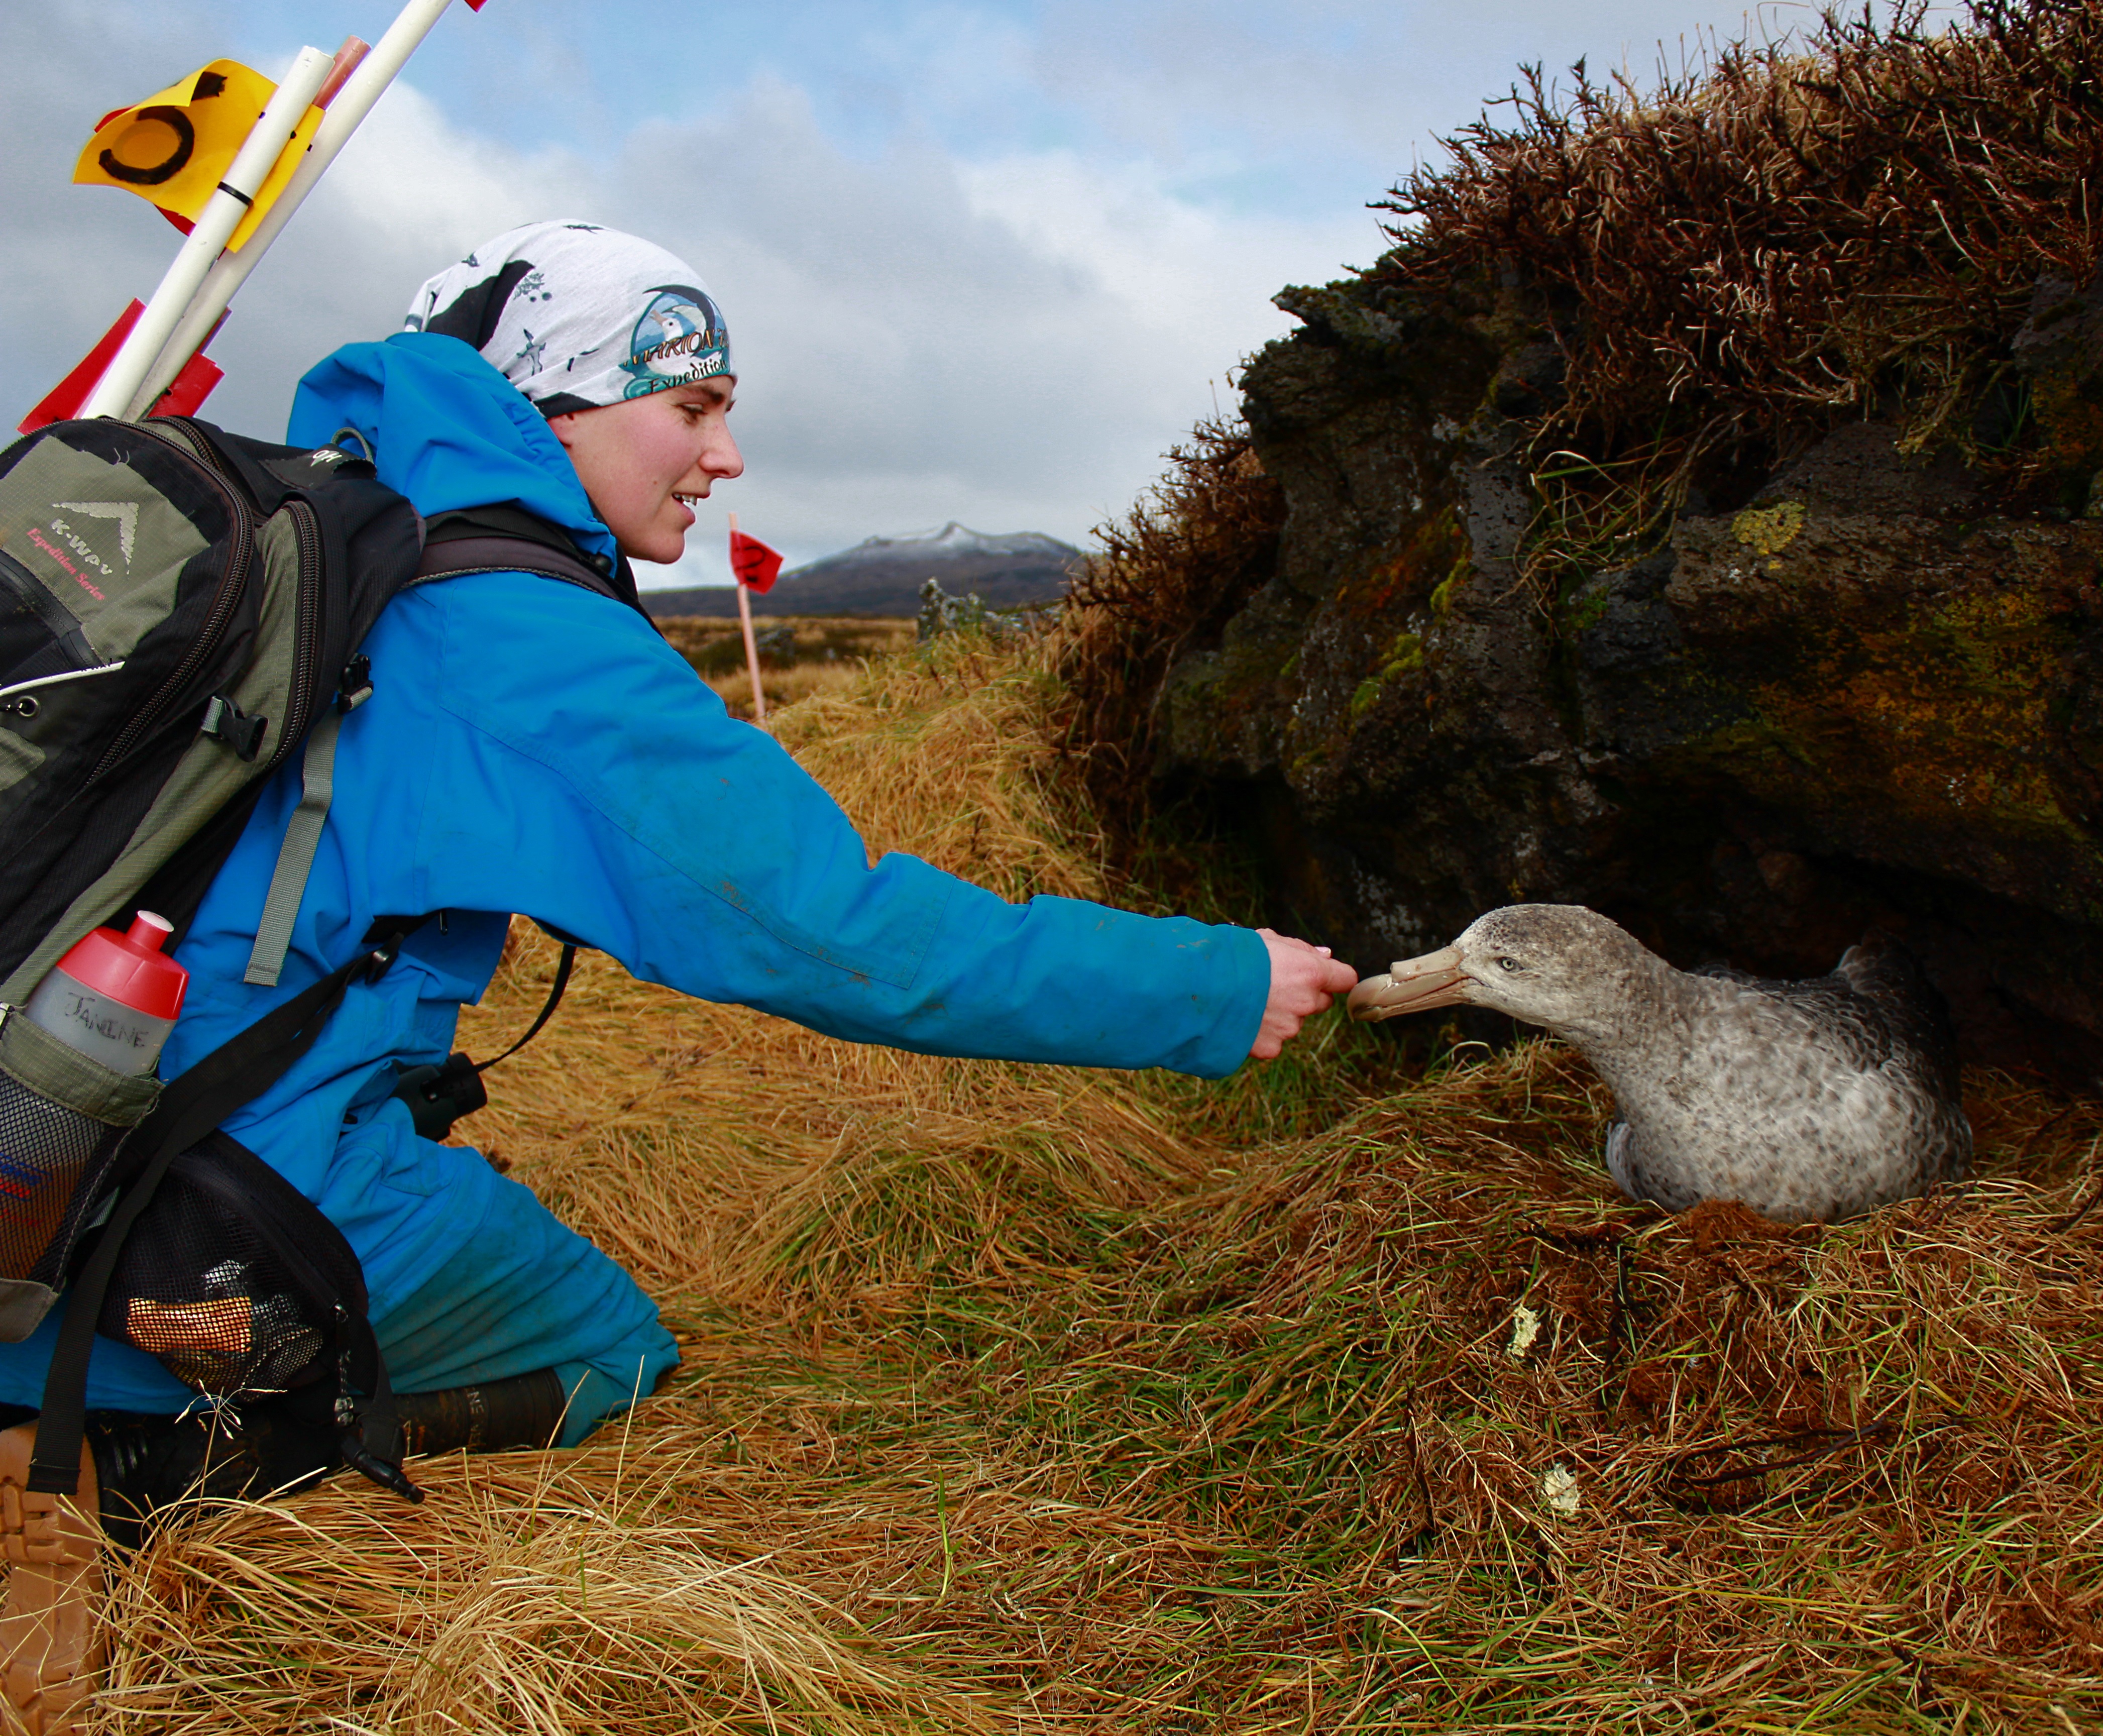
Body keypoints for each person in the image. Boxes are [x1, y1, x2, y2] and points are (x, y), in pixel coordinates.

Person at [0, 220, 1357, 1732]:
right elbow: (846, 938)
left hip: (55, 1122)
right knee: (607, 1352)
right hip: (202, 1183)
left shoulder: (325, 527)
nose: (727, 457)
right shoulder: (522, 636)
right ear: (556, 409)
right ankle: (103, 1466)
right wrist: (1217, 986)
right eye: (695, 408)